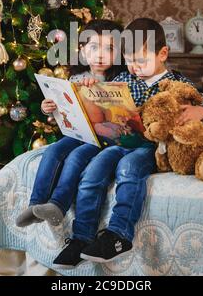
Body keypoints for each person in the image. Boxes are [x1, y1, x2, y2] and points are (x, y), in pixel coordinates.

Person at [52, 18, 203, 268]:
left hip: (152, 147)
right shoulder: (125, 79)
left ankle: (119, 235)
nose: (134, 67)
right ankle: (81, 237)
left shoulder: (178, 82)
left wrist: (201, 112)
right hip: (123, 140)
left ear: (162, 53)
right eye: (129, 60)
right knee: (93, 170)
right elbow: (106, 105)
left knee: (128, 168)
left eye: (140, 60)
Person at [16, 19, 125, 227]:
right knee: (52, 151)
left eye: (109, 48)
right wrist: (49, 106)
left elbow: (118, 115)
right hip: (77, 134)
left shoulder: (121, 80)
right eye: (93, 48)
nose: (100, 55)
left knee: (75, 157)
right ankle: (35, 204)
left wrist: (100, 91)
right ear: (83, 51)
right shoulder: (76, 78)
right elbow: (64, 109)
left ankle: (58, 205)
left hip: (103, 139)